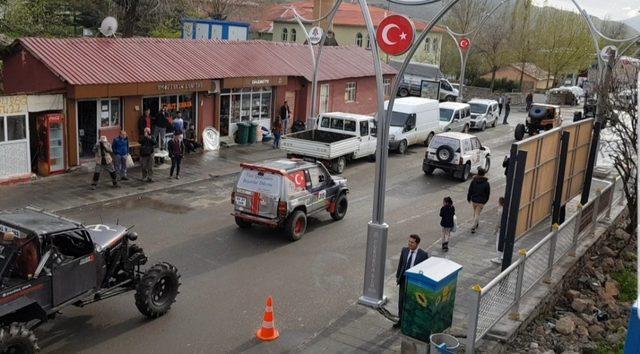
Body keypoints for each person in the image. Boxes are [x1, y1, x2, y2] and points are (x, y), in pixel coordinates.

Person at [394, 234, 429, 328]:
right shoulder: (404, 250)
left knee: (412, 302)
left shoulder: (423, 255)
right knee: (401, 301)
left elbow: (425, 270)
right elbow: (401, 264)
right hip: (404, 280)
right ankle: (401, 320)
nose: (410, 244)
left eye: (412, 242)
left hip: (414, 283)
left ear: (417, 244)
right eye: (409, 242)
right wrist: (398, 276)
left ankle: (410, 322)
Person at [467, 168, 490, 233]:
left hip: (474, 200)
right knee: (477, 213)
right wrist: (486, 200)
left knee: (475, 212)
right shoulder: (486, 183)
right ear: (484, 174)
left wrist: (469, 198)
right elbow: (488, 193)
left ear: (478, 173)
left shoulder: (473, 181)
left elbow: (470, 190)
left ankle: (476, 223)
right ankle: (473, 227)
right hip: (481, 201)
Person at [491, 197, 506, 265]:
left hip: (501, 228)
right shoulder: (506, 209)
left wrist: (495, 230)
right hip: (506, 228)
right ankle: (502, 255)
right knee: (503, 242)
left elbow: (498, 222)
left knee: (498, 242)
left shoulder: (500, 210)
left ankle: (498, 258)